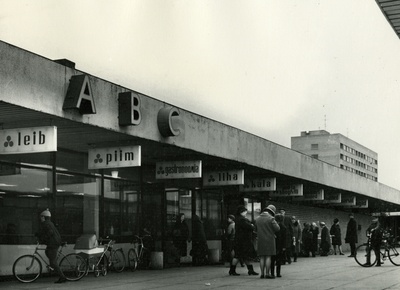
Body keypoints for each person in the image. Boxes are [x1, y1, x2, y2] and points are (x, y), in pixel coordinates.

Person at [36, 209, 66, 284]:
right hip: (54, 243)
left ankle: (62, 277)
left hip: (53, 243)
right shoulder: (49, 223)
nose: (40, 218)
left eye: (41, 217)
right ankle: (53, 266)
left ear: (44, 217)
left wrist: (42, 239)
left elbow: (50, 232)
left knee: (53, 262)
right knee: (47, 252)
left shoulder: (46, 224)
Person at [228, 205, 258, 276]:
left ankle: (249, 270)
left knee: (243, 256)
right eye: (245, 212)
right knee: (239, 256)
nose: (246, 213)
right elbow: (249, 227)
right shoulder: (242, 219)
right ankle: (233, 270)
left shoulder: (238, 219)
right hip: (243, 241)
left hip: (240, 240)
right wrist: (252, 225)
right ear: (242, 212)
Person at [255, 205, 280, 279]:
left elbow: (255, 229)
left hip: (260, 240)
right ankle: (267, 273)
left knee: (262, 257)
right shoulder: (271, 218)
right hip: (269, 240)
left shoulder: (257, 219)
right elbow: (277, 228)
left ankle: (262, 274)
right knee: (268, 257)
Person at [271, 213, 286, 278]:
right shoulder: (283, 227)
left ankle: (272, 273)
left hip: (274, 243)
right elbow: (285, 237)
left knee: (272, 259)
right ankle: (278, 273)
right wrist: (284, 246)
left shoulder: (273, 226)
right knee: (279, 260)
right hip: (280, 245)